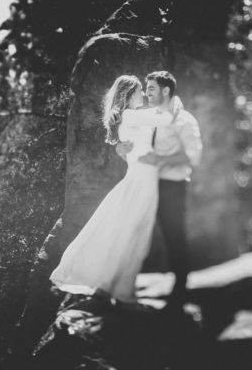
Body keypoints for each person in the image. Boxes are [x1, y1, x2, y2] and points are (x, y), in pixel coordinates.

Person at [49, 75, 182, 304]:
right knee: (133, 233)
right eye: (140, 90)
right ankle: (119, 288)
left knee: (132, 232)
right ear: (129, 94)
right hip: (141, 180)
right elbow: (165, 118)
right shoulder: (130, 115)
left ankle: (117, 285)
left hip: (143, 178)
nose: (143, 94)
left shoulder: (130, 117)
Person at [117, 71, 202, 307]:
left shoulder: (184, 120)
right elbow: (132, 140)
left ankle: (180, 291)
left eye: (151, 88)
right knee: (133, 233)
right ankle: (122, 284)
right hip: (145, 183)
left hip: (172, 187)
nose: (146, 94)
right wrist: (121, 149)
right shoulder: (149, 117)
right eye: (146, 89)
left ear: (166, 90)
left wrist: (160, 160)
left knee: (174, 236)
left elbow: (193, 156)